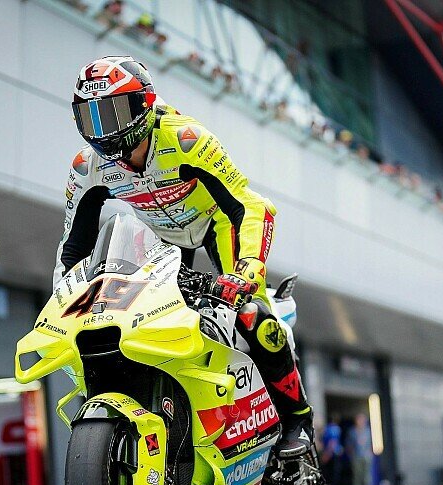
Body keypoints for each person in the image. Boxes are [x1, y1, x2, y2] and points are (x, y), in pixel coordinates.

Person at [55, 56, 314, 456]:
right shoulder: (86, 167)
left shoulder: (187, 139)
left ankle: (298, 420)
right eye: (91, 118)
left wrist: (248, 269)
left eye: (113, 113)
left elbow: (248, 206)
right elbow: (73, 247)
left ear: (144, 104)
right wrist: (64, 297)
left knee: (252, 317)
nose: (102, 131)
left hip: (216, 225)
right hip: (160, 243)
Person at [345, 413, 373, 485]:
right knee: (357, 475)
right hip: (356, 456)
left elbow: (371, 443)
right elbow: (348, 444)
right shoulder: (352, 431)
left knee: (367, 474)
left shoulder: (368, 431)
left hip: (367, 455)